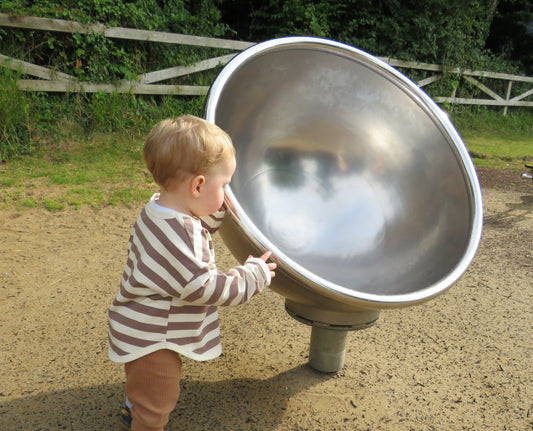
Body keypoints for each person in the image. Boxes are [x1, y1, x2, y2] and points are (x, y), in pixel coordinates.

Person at [107, 115, 277, 431]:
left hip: (140, 323)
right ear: (198, 185)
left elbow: (197, 225)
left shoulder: (160, 208)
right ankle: (143, 419)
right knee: (159, 403)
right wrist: (253, 275)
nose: (227, 194)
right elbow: (206, 287)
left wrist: (223, 207)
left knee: (144, 385)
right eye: (224, 186)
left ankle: (136, 403)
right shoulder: (180, 233)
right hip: (155, 338)